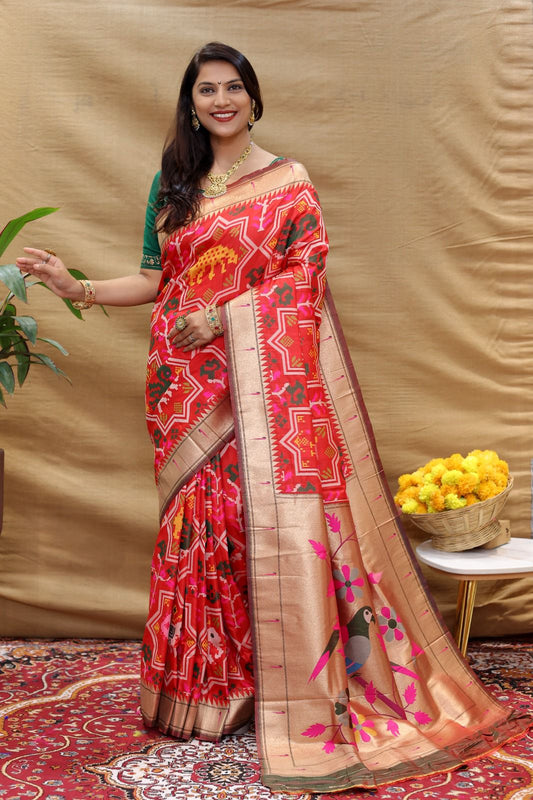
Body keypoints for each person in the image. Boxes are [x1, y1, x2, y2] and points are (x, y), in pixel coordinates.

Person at [17, 42, 530, 794]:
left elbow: (304, 279)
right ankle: (208, 695)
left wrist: (224, 318)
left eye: (232, 89)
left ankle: (285, 685)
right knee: (199, 530)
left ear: (254, 99)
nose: (220, 101)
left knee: (259, 524)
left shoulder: (287, 184)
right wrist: (77, 286)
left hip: (262, 383)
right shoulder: (174, 182)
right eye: (205, 91)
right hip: (183, 387)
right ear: (190, 104)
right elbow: (156, 281)